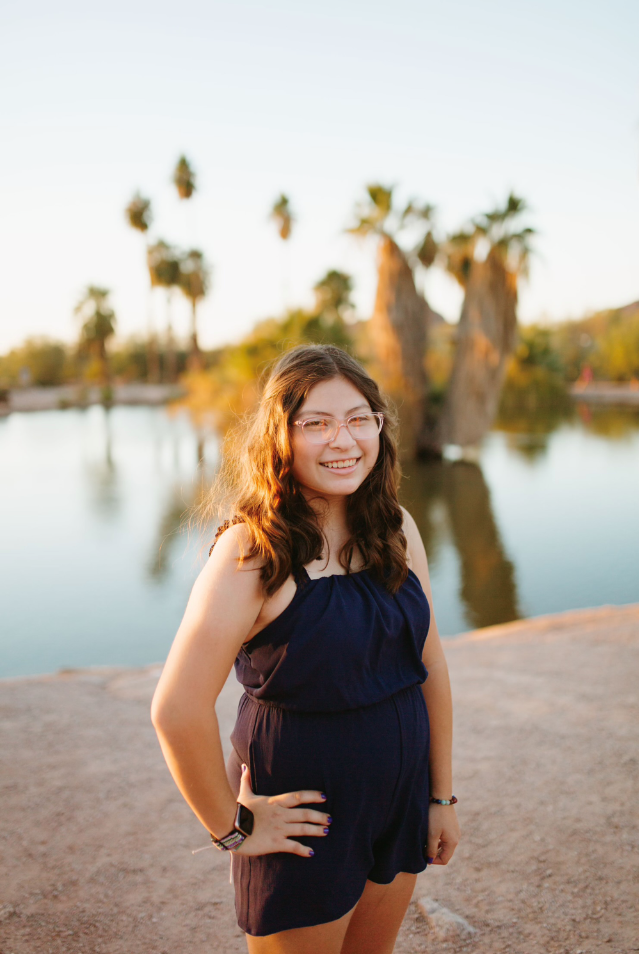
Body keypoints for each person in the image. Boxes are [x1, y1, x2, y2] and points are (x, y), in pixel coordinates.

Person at [151, 344, 460, 953]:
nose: (342, 440)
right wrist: (232, 829)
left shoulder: (396, 529)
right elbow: (176, 710)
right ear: (281, 436)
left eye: (357, 418)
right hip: (305, 821)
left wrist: (440, 795)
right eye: (316, 423)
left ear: (379, 426)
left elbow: (429, 666)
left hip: (397, 800)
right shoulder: (252, 552)